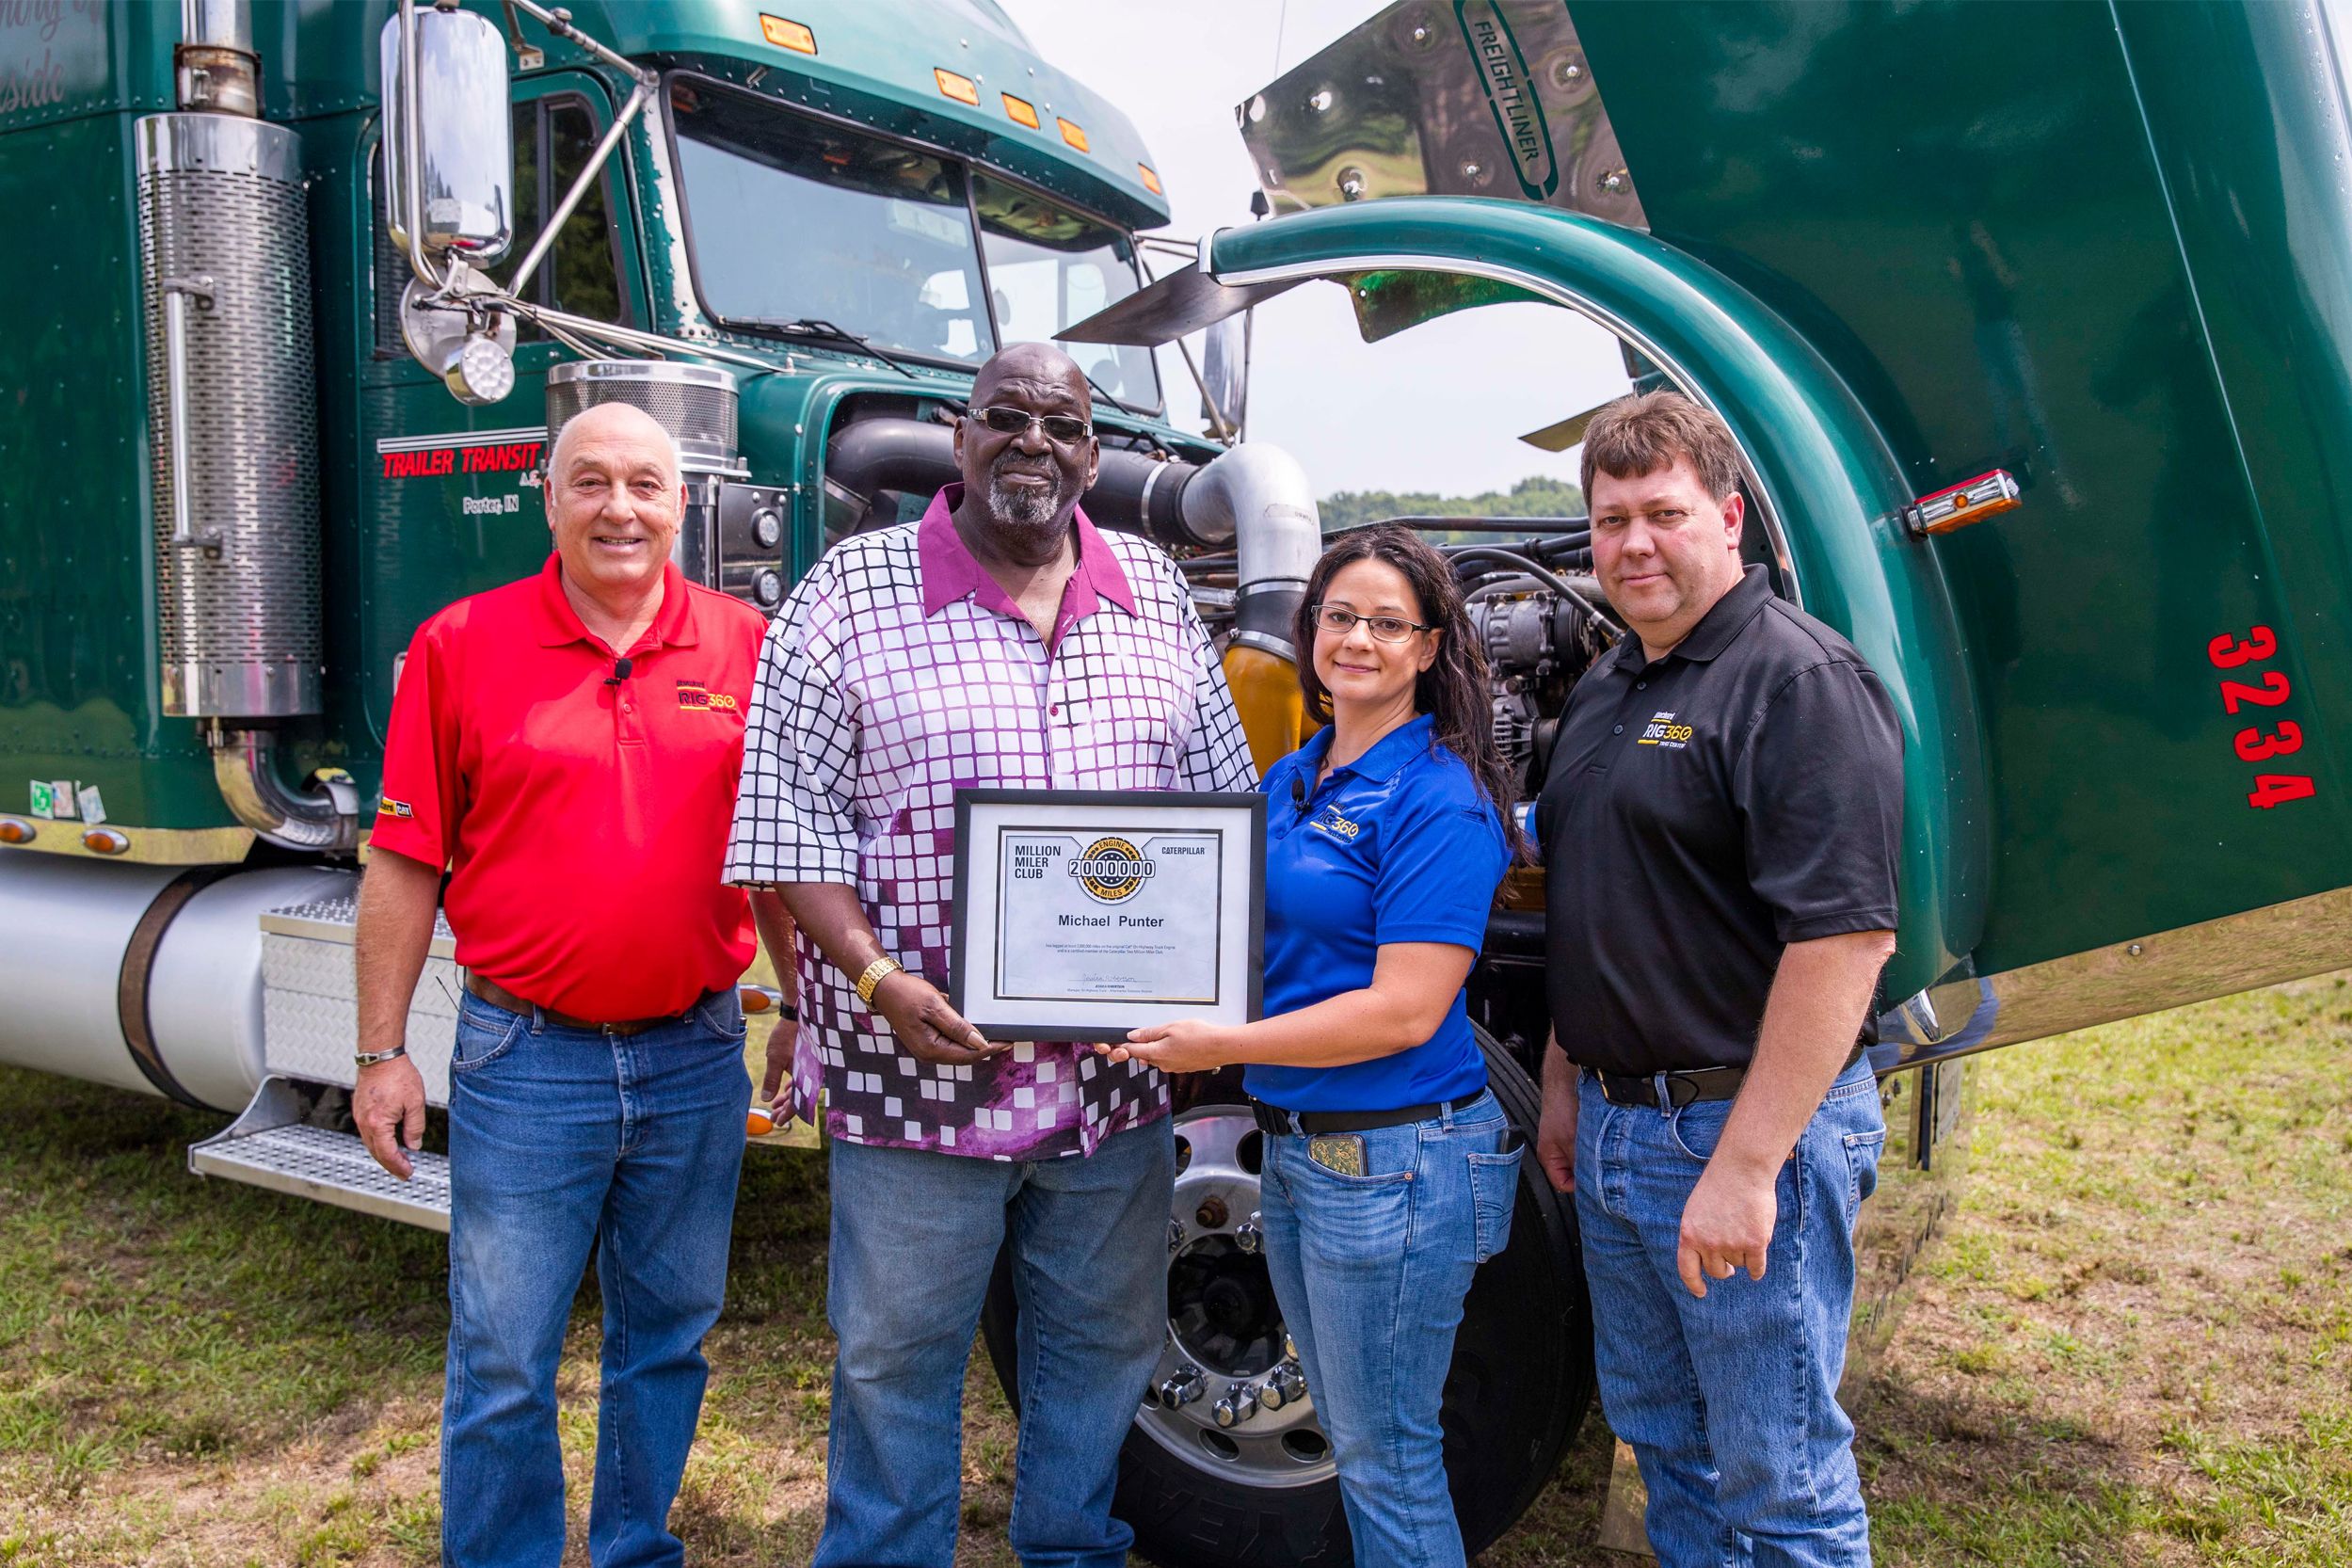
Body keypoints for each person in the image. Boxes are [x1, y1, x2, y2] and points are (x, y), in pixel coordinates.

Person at [725, 343, 1256, 1568]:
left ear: (1090, 450)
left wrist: (1206, 996)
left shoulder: (1158, 595)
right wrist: (870, 977)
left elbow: (1219, 807)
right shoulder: (848, 592)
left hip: (1109, 1087)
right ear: (958, 435)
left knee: (1101, 1344)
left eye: (1060, 424)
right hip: (915, 1075)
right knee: (892, 1358)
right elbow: (786, 820)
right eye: (1003, 417)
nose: (1032, 442)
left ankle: (1067, 1545)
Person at [351, 401, 796, 1568]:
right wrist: (379, 1051)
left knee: (669, 1338)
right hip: (525, 1056)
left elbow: (781, 857)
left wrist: (800, 1003)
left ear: (682, 505)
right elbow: (404, 862)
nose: (619, 507)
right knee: (504, 1356)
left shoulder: (746, 643)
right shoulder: (461, 645)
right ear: (548, 502)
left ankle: (634, 1548)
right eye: (590, 482)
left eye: (646, 485)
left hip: (697, 1051)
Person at [1532, 391, 1902, 1567]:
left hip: (1739, 1135)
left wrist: (1747, 1168)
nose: (1634, 543)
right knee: (1665, 1444)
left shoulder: (1795, 684)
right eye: (1610, 519)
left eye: (1663, 514)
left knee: (1776, 1471)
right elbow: (1594, 903)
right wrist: (1560, 1084)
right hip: (1613, 1127)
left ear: (1728, 517)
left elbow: (1844, 945)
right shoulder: (1611, 684)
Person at [1108, 524, 1518, 1568]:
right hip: (1303, 1148)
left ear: (1430, 647)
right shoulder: (1295, 776)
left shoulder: (1439, 794)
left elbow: (1404, 1010)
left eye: (1389, 622)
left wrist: (1222, 1039)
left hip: (1395, 1161)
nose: (1359, 640)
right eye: (1341, 617)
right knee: (1363, 1438)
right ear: (1310, 629)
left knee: (1385, 1455)